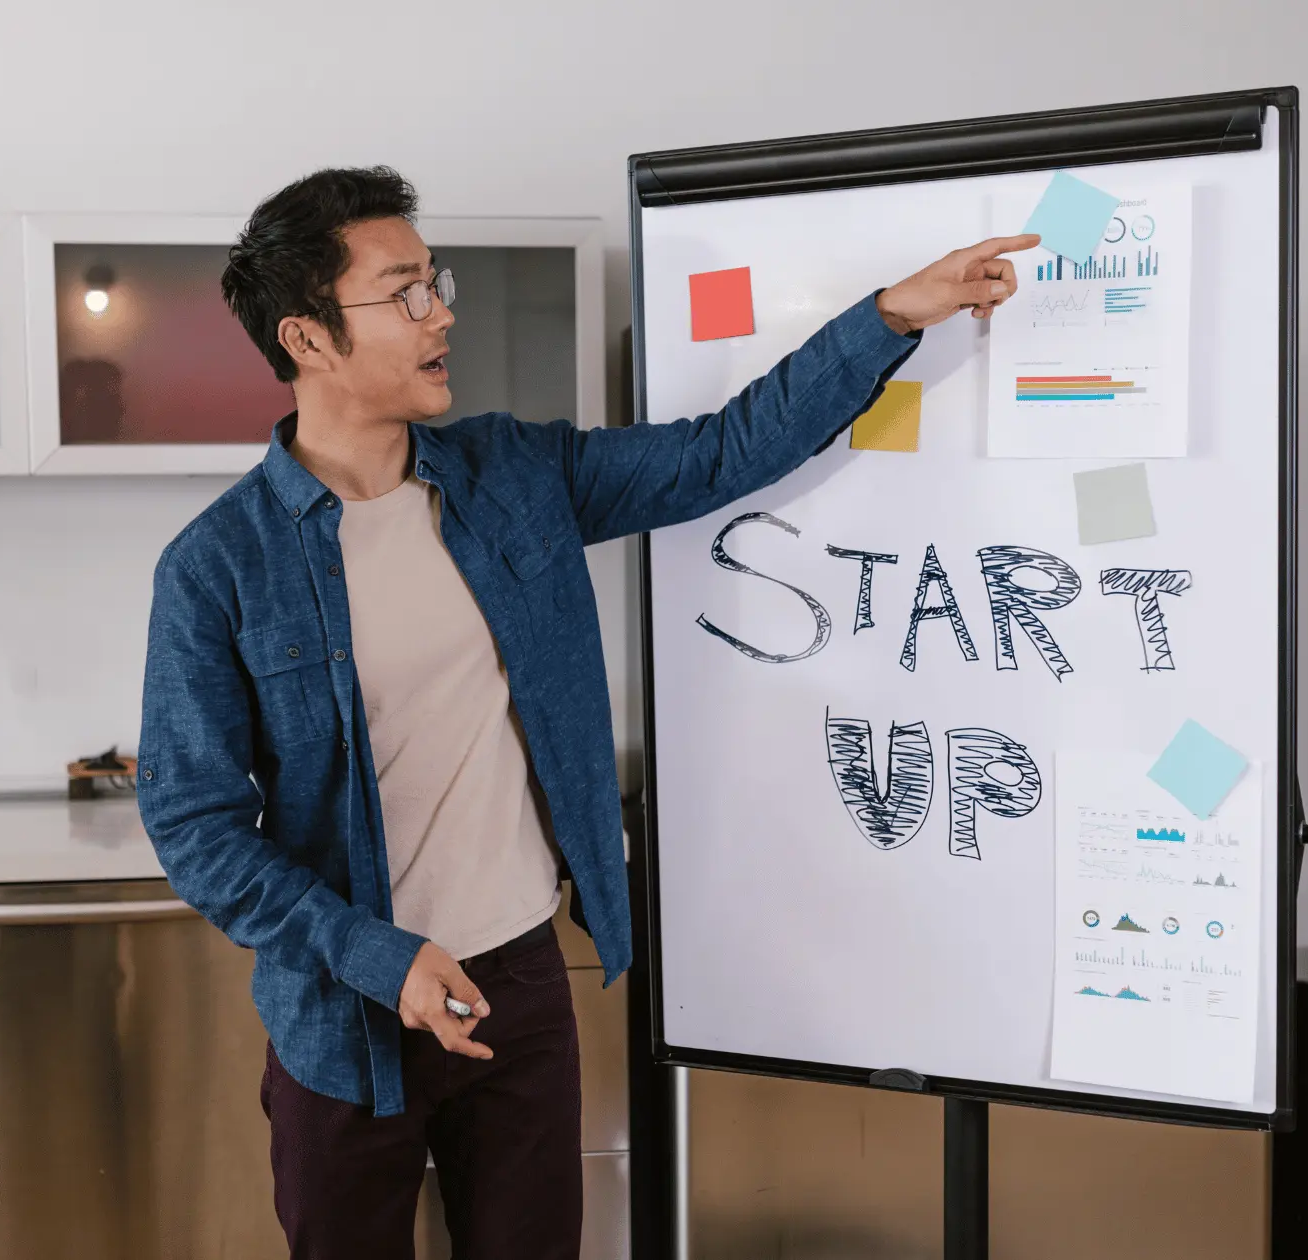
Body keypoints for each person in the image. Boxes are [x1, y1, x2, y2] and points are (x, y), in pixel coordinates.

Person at [137, 165, 1034, 1259]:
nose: (441, 313)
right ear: (309, 340)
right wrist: (378, 957)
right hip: (345, 1010)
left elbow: (722, 452)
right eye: (405, 293)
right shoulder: (216, 567)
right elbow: (194, 826)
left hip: (514, 980)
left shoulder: (512, 476)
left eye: (437, 283)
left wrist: (892, 316)